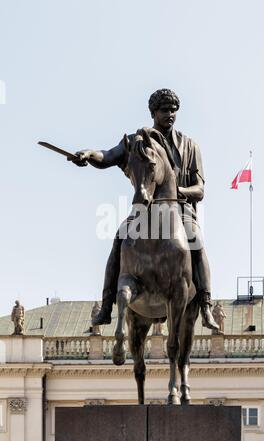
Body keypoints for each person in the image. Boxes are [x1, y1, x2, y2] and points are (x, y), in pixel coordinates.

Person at [72, 89, 218, 330]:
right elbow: (107, 156)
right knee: (119, 238)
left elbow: (200, 189)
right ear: (153, 113)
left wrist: (179, 193)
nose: (170, 114)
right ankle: (107, 305)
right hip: (145, 208)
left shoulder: (190, 146)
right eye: (164, 110)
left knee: (197, 242)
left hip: (180, 210)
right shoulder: (136, 143)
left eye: (173, 110)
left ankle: (205, 304)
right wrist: (88, 154)